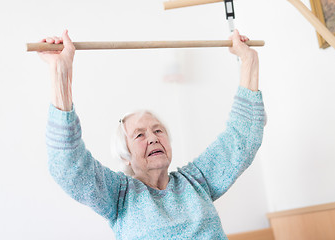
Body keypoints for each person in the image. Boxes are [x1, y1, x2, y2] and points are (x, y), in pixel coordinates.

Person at [40, 29, 265, 239]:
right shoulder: (119, 196)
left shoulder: (196, 182)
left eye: (158, 130)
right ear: (124, 154)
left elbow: (242, 138)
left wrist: (249, 61)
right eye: (139, 135)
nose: (153, 138)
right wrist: (60, 74)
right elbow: (68, 167)